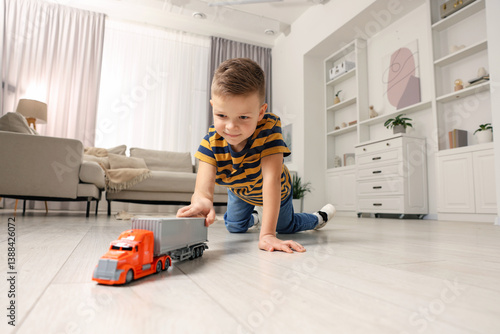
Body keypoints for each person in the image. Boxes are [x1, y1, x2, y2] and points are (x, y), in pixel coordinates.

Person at [177, 58, 335, 253]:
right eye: (222, 116)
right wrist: (201, 201)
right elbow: (203, 188)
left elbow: (272, 180)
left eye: (243, 117)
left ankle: (318, 217)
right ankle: (257, 217)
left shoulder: (269, 129)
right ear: (213, 107)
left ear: (260, 112)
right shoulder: (211, 141)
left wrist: (268, 234)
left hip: (276, 190)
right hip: (240, 191)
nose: (231, 127)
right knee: (234, 227)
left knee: (285, 227)